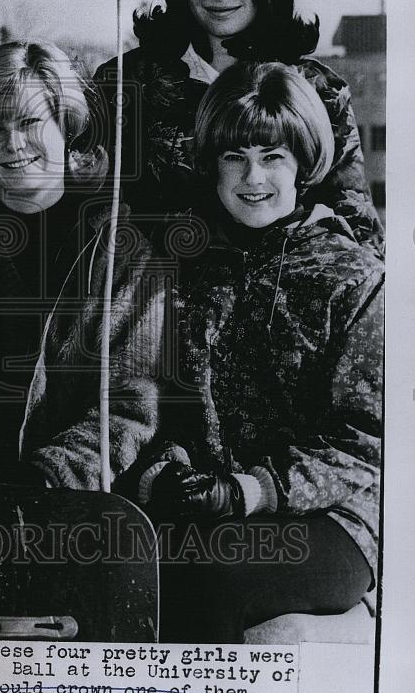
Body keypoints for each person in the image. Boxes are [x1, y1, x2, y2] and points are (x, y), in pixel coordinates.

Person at [113, 61, 383, 642]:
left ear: (304, 164)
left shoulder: (353, 278)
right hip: (205, 506)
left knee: (212, 572)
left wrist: (250, 490)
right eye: (235, 157)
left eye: (273, 156)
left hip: (328, 517)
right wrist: (162, 475)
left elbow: (367, 438)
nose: (252, 177)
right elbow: (147, 397)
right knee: (116, 563)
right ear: (210, 164)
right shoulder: (180, 265)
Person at [89, 0, 384, 256]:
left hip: (280, 298)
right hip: (156, 296)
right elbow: (90, 209)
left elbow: (360, 232)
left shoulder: (316, 91)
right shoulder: (126, 82)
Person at [0, 41, 163, 486]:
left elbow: (132, 403)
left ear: (68, 128)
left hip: (73, 508)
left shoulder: (119, 251)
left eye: (30, 122)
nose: (13, 143)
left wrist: (54, 474)